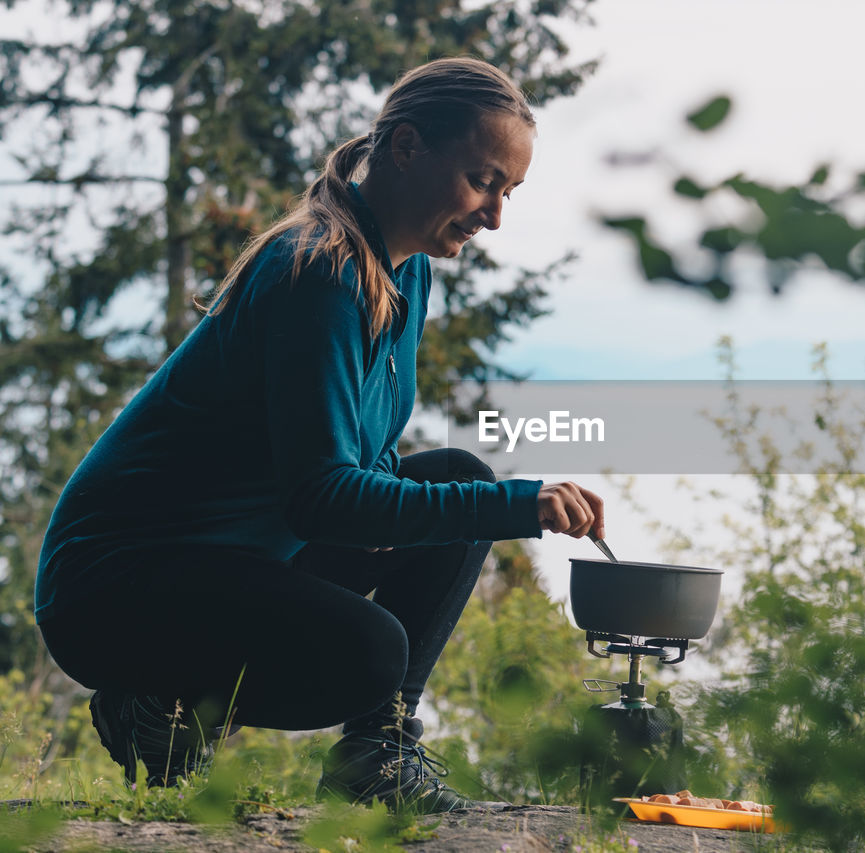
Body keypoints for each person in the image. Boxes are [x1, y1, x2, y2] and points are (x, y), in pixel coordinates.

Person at [34, 56, 603, 813]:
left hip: (229, 564)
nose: (495, 214)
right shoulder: (317, 272)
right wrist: (519, 506)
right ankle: (157, 698)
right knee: (368, 649)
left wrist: (481, 508)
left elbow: (365, 467)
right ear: (405, 147)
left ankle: (377, 753)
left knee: (452, 477)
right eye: (482, 179)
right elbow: (323, 497)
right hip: (113, 588)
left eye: (509, 190)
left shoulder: (404, 273)